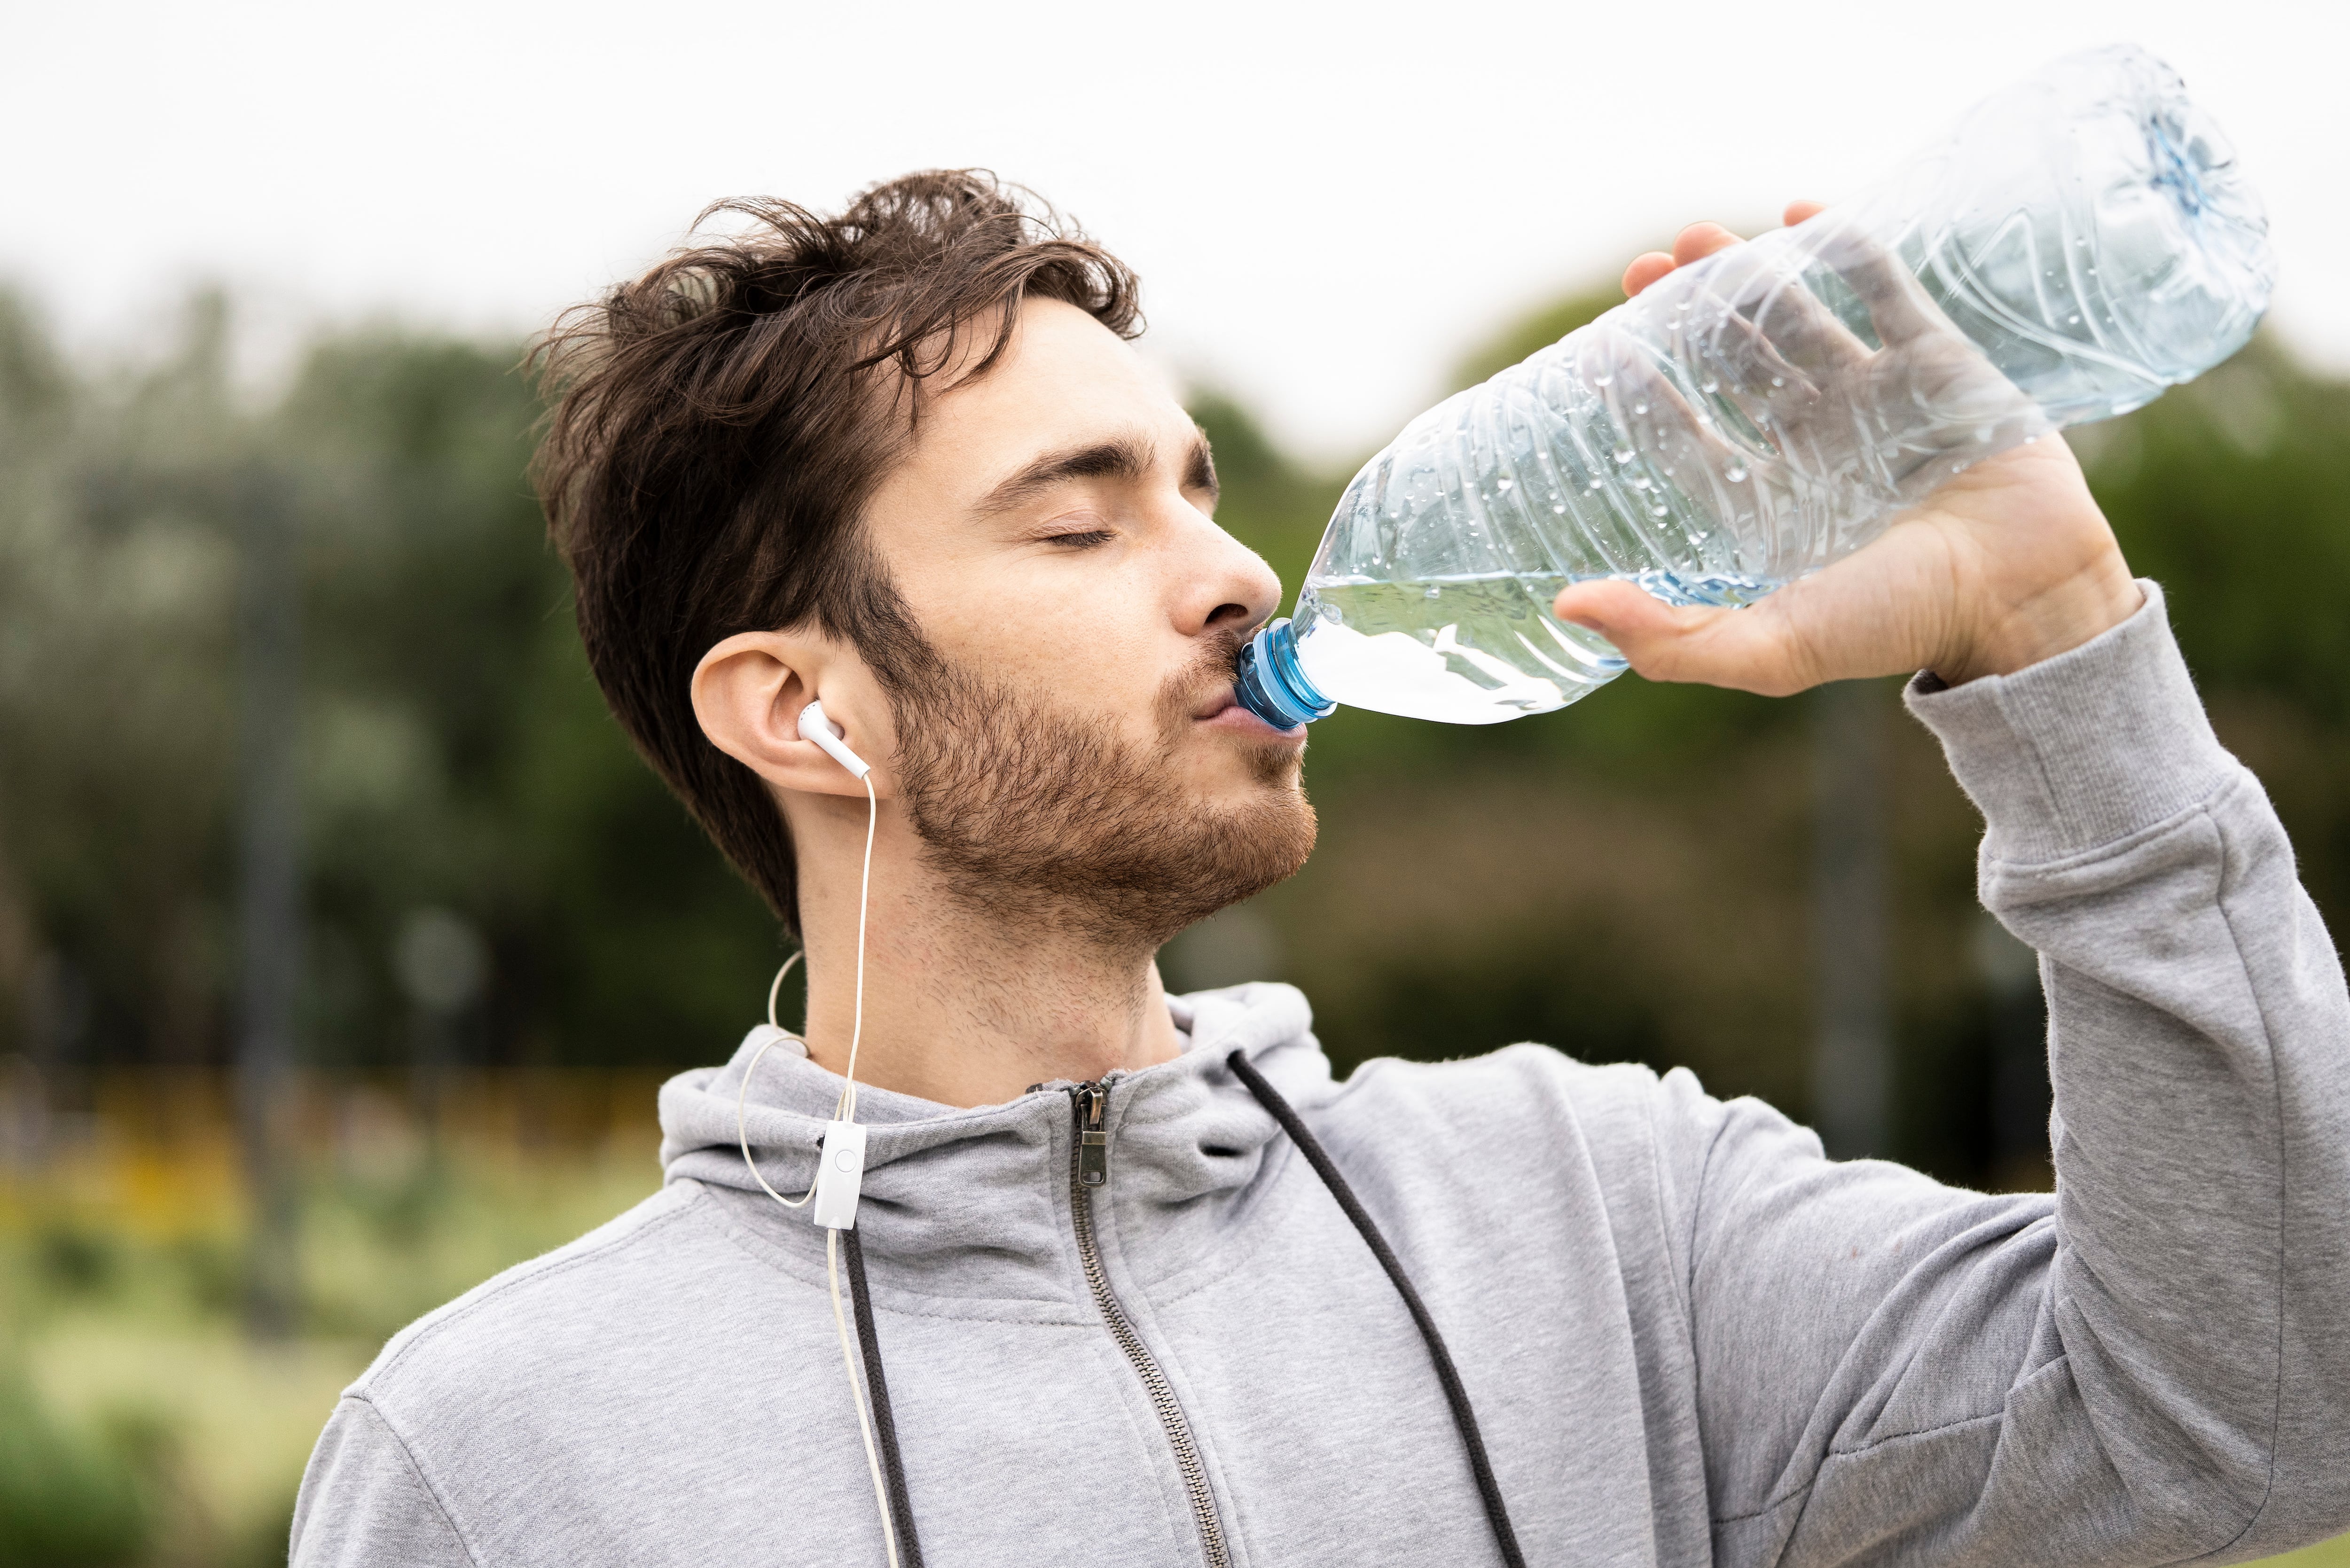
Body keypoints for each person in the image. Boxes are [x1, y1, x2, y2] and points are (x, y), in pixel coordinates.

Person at [290, 172, 2350, 1568]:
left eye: (1195, 486)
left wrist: (2052, 633)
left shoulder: (1598, 1217)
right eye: (1079, 521)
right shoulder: (497, 1459)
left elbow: (2258, 1410)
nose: (1238, 569)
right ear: (806, 712)